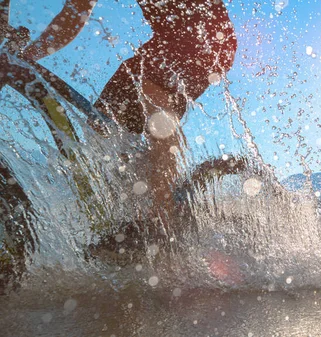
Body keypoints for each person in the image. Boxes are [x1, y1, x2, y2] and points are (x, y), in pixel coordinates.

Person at [20, 0, 237, 224]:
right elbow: (74, 14)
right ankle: (134, 213)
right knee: (103, 121)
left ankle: (162, 214)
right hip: (173, 41)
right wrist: (28, 56)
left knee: (150, 86)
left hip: (206, 35)